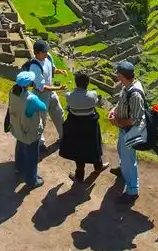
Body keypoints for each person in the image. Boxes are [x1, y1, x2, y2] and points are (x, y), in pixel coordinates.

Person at [59, 71, 109, 183]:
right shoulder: (93, 95)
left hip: (75, 126)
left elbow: (69, 105)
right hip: (90, 126)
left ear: (76, 83)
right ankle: (98, 167)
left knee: (78, 149)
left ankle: (79, 175)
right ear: (88, 82)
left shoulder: (69, 97)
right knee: (94, 146)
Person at [108, 60, 145, 204]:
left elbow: (136, 119)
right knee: (121, 150)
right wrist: (114, 110)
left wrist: (116, 122)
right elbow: (122, 101)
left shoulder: (135, 94)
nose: (117, 77)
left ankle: (132, 191)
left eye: (118, 74)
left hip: (129, 131)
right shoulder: (127, 87)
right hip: (123, 129)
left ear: (123, 76)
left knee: (129, 160)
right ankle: (123, 171)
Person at [7, 70, 48, 189]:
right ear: (29, 84)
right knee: (32, 154)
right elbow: (43, 107)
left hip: (17, 126)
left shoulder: (12, 91)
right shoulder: (31, 99)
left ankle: (19, 168)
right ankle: (31, 180)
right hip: (29, 130)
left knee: (20, 144)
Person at [26, 39, 67, 152]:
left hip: (51, 93)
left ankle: (64, 137)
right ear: (37, 53)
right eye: (43, 51)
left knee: (59, 114)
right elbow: (42, 87)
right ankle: (40, 143)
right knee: (41, 121)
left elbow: (52, 69)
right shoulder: (34, 67)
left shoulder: (48, 57)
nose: (46, 52)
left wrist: (60, 71)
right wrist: (58, 89)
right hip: (41, 95)